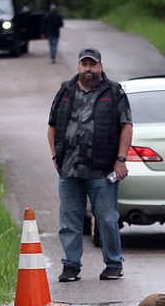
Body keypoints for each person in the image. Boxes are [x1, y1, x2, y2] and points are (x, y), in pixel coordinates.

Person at [47, 47, 133, 281]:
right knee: (69, 220)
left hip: (103, 170)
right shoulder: (66, 90)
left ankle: (114, 264)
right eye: (84, 64)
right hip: (69, 170)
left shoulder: (114, 92)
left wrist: (120, 159)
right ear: (78, 66)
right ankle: (71, 266)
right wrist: (56, 156)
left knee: (106, 219)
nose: (88, 68)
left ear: (100, 67)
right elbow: (52, 125)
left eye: (92, 64)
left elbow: (126, 125)